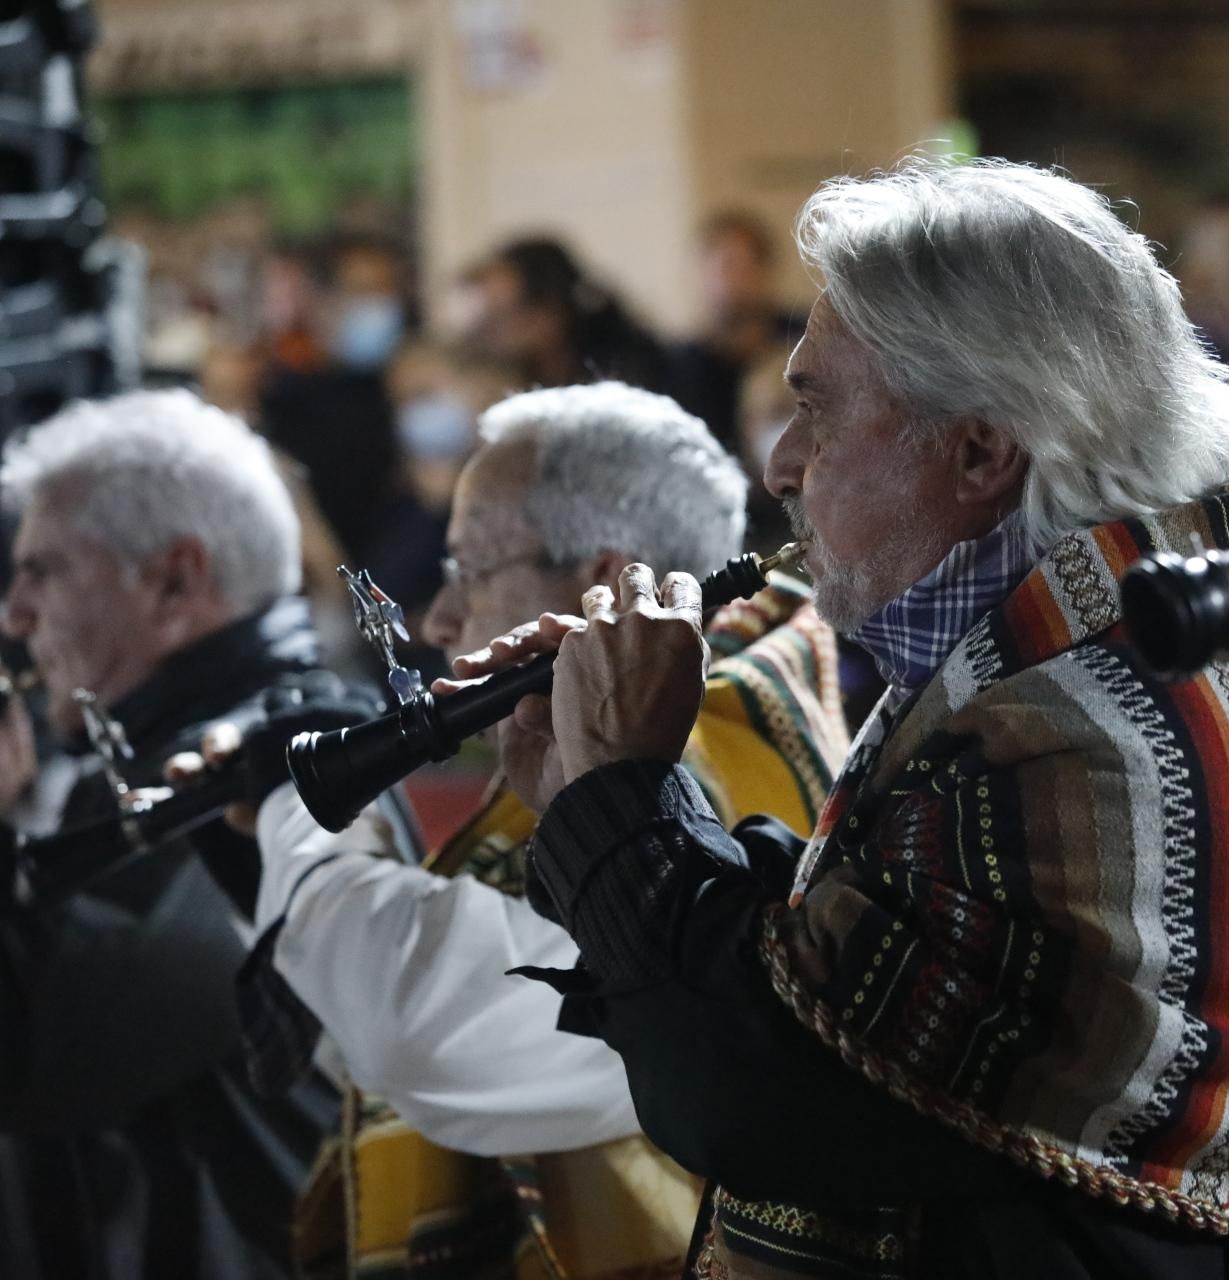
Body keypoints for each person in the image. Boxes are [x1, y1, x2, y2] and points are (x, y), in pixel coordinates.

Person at [465, 159, 1229, 1278]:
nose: (783, 465)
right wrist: (587, 786)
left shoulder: (1085, 701)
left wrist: (627, 798)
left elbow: (779, 1096)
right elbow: (877, 949)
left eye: (817, 406)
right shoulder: (1078, 631)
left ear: (982, 447)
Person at [182, 382, 848, 1278]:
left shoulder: (697, 760)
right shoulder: (611, 742)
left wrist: (302, 815)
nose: (438, 619)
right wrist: (251, 856)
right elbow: (409, 1055)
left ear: (607, 586)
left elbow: (431, 1036)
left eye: (469, 570)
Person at [0, 390, 413, 1278]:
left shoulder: (261, 780)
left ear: (176, 581)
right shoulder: (229, 750)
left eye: (43, 572)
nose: (14, 615)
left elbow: (30, 1056)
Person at [458, 236, 674, 395]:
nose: (482, 333)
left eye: (497, 317)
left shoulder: (634, 384)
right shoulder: (506, 381)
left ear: (548, 317)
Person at [669, 211, 807, 456]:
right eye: (718, 267)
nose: (727, 280)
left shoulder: (806, 339)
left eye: (737, 265)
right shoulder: (681, 366)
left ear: (763, 270)